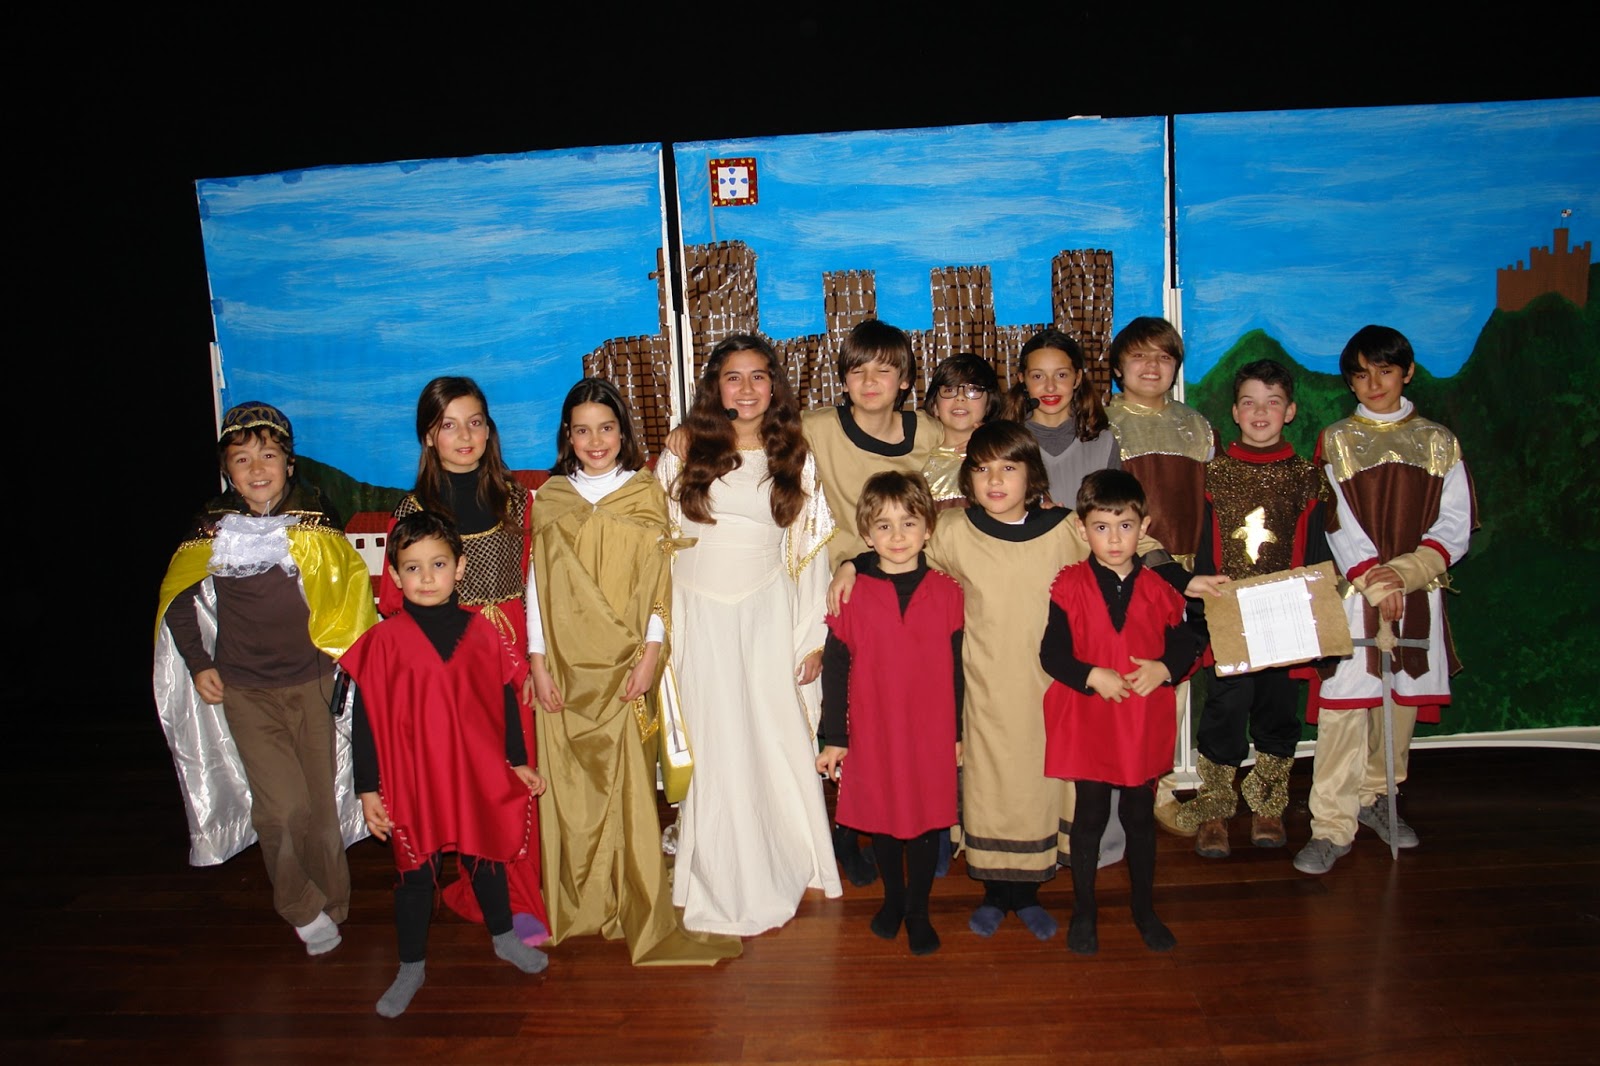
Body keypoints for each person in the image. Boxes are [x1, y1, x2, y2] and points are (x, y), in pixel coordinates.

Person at [833, 422, 1211, 940]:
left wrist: (1184, 580)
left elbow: (1133, 544)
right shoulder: (954, 531)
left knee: (1042, 790)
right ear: (968, 478)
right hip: (984, 689)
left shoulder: (1065, 529)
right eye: (982, 469)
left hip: (1054, 687)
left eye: (1008, 468)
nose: (995, 480)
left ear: (1031, 473)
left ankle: (1030, 892)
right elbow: (898, 548)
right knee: (992, 790)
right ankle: (994, 891)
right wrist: (850, 565)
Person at [527, 378, 740, 965]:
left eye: (606, 428)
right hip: (565, 671)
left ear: (623, 432)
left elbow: (659, 585)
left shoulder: (645, 493)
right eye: (582, 430)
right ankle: (580, 903)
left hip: (625, 666)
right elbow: (537, 588)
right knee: (571, 794)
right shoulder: (551, 498)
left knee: (629, 791)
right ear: (567, 436)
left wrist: (650, 654)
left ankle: (633, 897)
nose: (595, 440)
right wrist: (538, 662)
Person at [154, 401, 377, 956]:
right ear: (227, 471)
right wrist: (199, 663)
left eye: (269, 456)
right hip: (247, 691)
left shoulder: (314, 521)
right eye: (242, 459)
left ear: (289, 464)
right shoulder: (212, 529)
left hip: (313, 685)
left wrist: (350, 659)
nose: (257, 469)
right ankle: (298, 904)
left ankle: (332, 902)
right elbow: (178, 599)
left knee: (321, 808)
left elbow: (348, 592)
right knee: (282, 808)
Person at [654, 334, 842, 935]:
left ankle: (786, 851)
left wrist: (812, 639)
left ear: (774, 385)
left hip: (766, 612)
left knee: (769, 734)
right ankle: (711, 864)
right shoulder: (684, 452)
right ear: (715, 385)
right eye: (732, 377)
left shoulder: (795, 457)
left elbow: (810, 553)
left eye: (758, 376)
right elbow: (655, 543)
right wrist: (659, 631)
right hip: (697, 614)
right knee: (713, 737)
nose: (746, 388)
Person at [341, 511, 550, 1017]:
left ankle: (504, 935)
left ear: (459, 568)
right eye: (412, 568)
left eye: (438, 564)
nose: (427, 577)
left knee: (485, 857)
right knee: (417, 873)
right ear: (394, 576)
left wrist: (516, 761)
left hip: (475, 774)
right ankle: (410, 965)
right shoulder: (382, 643)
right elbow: (365, 721)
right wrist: (367, 789)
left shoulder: (482, 632)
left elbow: (503, 699)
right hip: (413, 781)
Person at [1295, 326, 1475, 875]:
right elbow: (1336, 522)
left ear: (1408, 372)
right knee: (1345, 709)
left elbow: (1456, 523)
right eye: (1361, 373)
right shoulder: (1337, 440)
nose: (1373, 383)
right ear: (1349, 380)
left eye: (1386, 370)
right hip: (1355, 594)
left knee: (1399, 708)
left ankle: (1378, 797)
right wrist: (1377, 581)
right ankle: (1331, 825)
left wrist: (1404, 575)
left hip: (1419, 594)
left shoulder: (1439, 441)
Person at [377, 377, 547, 941]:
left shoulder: (517, 499)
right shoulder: (413, 510)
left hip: (512, 652)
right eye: (448, 425)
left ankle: (520, 897)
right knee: (466, 779)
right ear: (428, 436)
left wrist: (533, 659)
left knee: (512, 777)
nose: (464, 435)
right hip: (449, 661)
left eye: (475, 422)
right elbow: (395, 601)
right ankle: (482, 889)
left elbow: (537, 584)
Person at [801, 319, 944, 886]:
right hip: (843, 582)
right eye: (857, 370)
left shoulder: (928, 432)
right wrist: (688, 433)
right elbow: (749, 428)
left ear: (905, 380)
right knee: (846, 704)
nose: (869, 382)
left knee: (911, 705)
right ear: (842, 379)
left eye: (884, 370)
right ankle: (847, 827)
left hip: (909, 580)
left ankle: (928, 820)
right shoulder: (817, 428)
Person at [1040, 469, 1205, 954]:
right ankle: (1084, 909)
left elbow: (1188, 642)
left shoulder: (1160, 588)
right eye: (1102, 527)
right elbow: (1052, 653)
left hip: (1140, 720)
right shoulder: (1067, 586)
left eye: (1126, 526)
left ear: (1144, 526)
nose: (1114, 539)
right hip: (1092, 717)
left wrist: (1165, 668)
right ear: (1082, 529)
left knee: (1138, 814)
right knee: (1090, 815)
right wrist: (1091, 674)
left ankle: (1144, 908)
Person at [1174, 359, 1333, 858]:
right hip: (1229, 617)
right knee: (1225, 709)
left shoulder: (1307, 478)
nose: (1260, 412)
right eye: (1249, 402)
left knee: (1276, 710)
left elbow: (1316, 551)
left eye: (1272, 402)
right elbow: (1203, 549)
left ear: (1291, 411)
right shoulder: (1213, 475)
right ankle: (1216, 805)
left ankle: (1268, 802)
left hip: (1285, 618)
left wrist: (1315, 621)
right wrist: (1204, 618)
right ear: (1235, 412)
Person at [817, 472, 963, 955]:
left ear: (928, 529)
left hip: (930, 730)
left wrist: (958, 732)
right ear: (866, 535)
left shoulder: (947, 592)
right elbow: (836, 668)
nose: (897, 536)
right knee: (880, 817)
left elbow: (959, 669)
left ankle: (918, 908)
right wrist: (835, 738)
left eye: (909, 523)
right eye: (884, 525)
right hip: (873, 728)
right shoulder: (851, 594)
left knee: (924, 820)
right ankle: (893, 900)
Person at [1103, 317, 1218, 836]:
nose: (1151, 366)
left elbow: (1213, 507)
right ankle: (1113, 789)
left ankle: (1162, 787)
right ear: (1117, 367)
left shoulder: (1198, 427)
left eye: (1164, 357)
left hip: (1191, 579)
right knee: (1122, 681)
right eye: (1139, 356)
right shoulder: (1103, 426)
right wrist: (1161, 567)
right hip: (1129, 573)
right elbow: (1106, 509)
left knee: (1171, 687)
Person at [1008, 327, 1120, 507]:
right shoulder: (1005, 442)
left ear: (1077, 378)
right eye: (1038, 376)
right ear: (1023, 379)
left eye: (1061, 375)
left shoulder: (1103, 443)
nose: (1050, 387)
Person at [921, 353, 1000, 510]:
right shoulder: (917, 458)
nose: (960, 397)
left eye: (973, 390)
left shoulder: (1006, 454)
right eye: (949, 389)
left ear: (989, 404)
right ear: (935, 405)